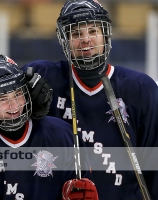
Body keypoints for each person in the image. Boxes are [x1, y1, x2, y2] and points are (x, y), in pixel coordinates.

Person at [22, 0, 158, 199]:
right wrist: (29, 113)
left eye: (93, 31)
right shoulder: (42, 79)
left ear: (106, 35)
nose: (85, 39)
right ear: (64, 40)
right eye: (76, 34)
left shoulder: (140, 89)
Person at [0, 55, 98, 200]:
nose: (14, 105)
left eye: (18, 94)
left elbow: (82, 187)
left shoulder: (62, 136)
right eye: (3, 99)